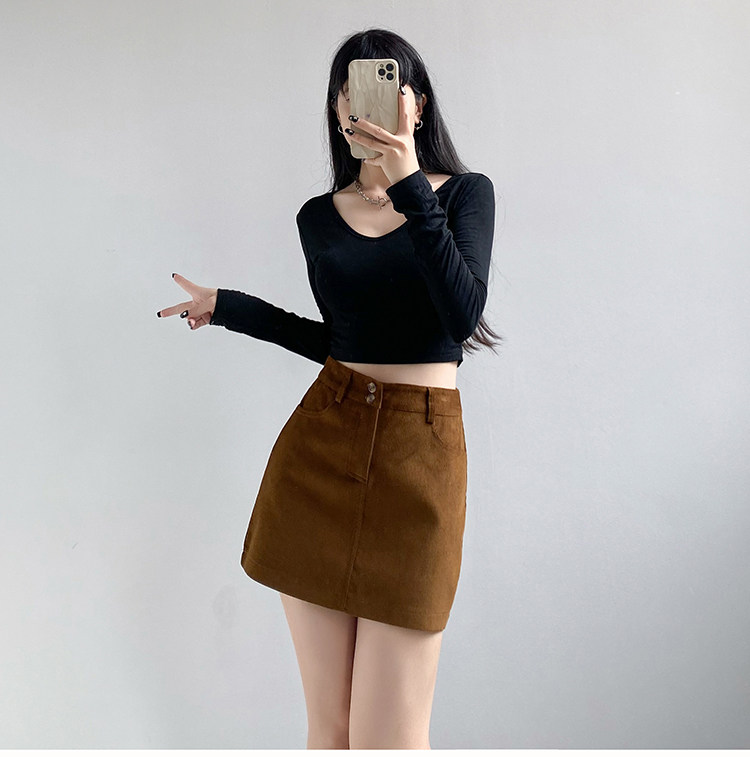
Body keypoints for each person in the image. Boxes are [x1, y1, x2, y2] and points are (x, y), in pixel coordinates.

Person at [157, 28, 500, 750]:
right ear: (338, 109)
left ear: (415, 104)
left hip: (420, 460)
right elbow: (341, 344)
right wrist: (230, 307)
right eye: (348, 89)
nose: (359, 100)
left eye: (381, 84)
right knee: (333, 728)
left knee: (391, 736)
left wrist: (409, 183)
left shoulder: (465, 195)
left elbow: (461, 316)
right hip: (322, 452)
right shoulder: (318, 217)